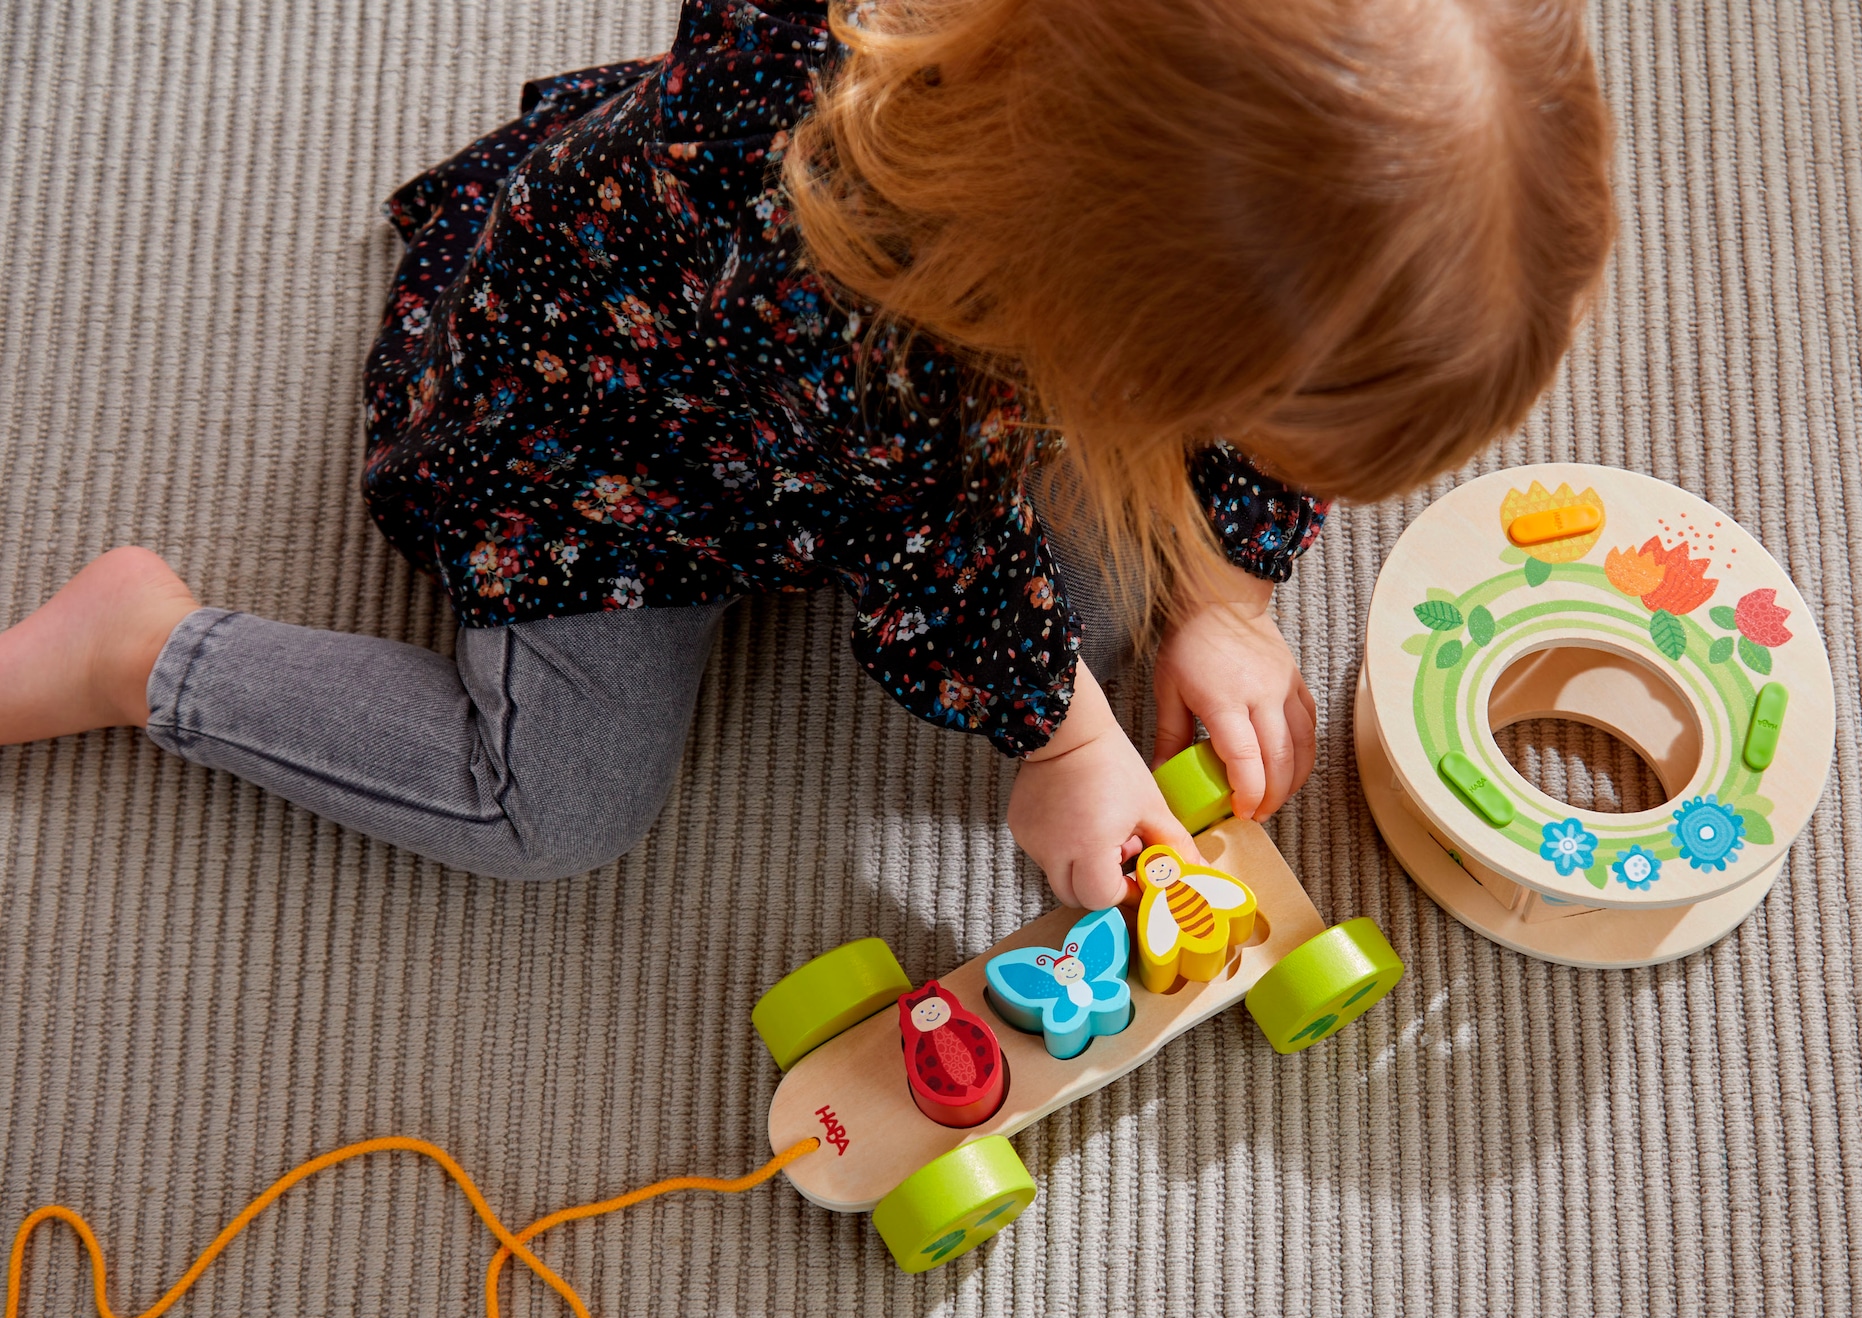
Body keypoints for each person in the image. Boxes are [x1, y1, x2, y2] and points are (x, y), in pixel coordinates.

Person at [0, 0, 1616, 908]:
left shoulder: (1144, 130)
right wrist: (1055, 749)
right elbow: (926, 548)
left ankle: (1161, 564)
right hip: (597, 454)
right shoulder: (810, 276)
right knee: (546, 810)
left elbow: (1212, 395)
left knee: (1132, 613)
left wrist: (1231, 584)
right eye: (1212, 425)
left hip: (896, 387)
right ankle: (146, 655)